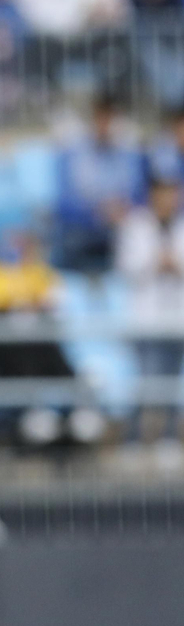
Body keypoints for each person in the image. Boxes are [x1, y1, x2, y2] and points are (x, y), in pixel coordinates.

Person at [0, 230, 104, 446]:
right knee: (21, 350)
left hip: (42, 348)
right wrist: (16, 304)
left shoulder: (41, 273)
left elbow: (55, 303)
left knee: (46, 346)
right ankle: (32, 409)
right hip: (4, 352)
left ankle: (76, 405)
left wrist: (25, 305)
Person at [116, 178, 184, 451]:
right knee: (145, 379)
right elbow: (127, 267)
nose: (168, 199)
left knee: (172, 378)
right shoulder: (136, 225)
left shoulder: (181, 225)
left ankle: (168, 436)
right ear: (152, 195)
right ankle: (133, 437)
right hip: (147, 316)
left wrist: (175, 263)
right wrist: (157, 261)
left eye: (172, 193)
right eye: (163, 193)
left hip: (178, 315)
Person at [52, 95, 147, 273]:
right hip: (85, 227)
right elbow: (64, 204)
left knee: (142, 237)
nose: (104, 126)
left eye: (109, 119)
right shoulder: (73, 155)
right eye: (99, 119)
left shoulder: (129, 156)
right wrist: (96, 212)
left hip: (121, 226)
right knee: (70, 239)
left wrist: (122, 210)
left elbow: (140, 198)